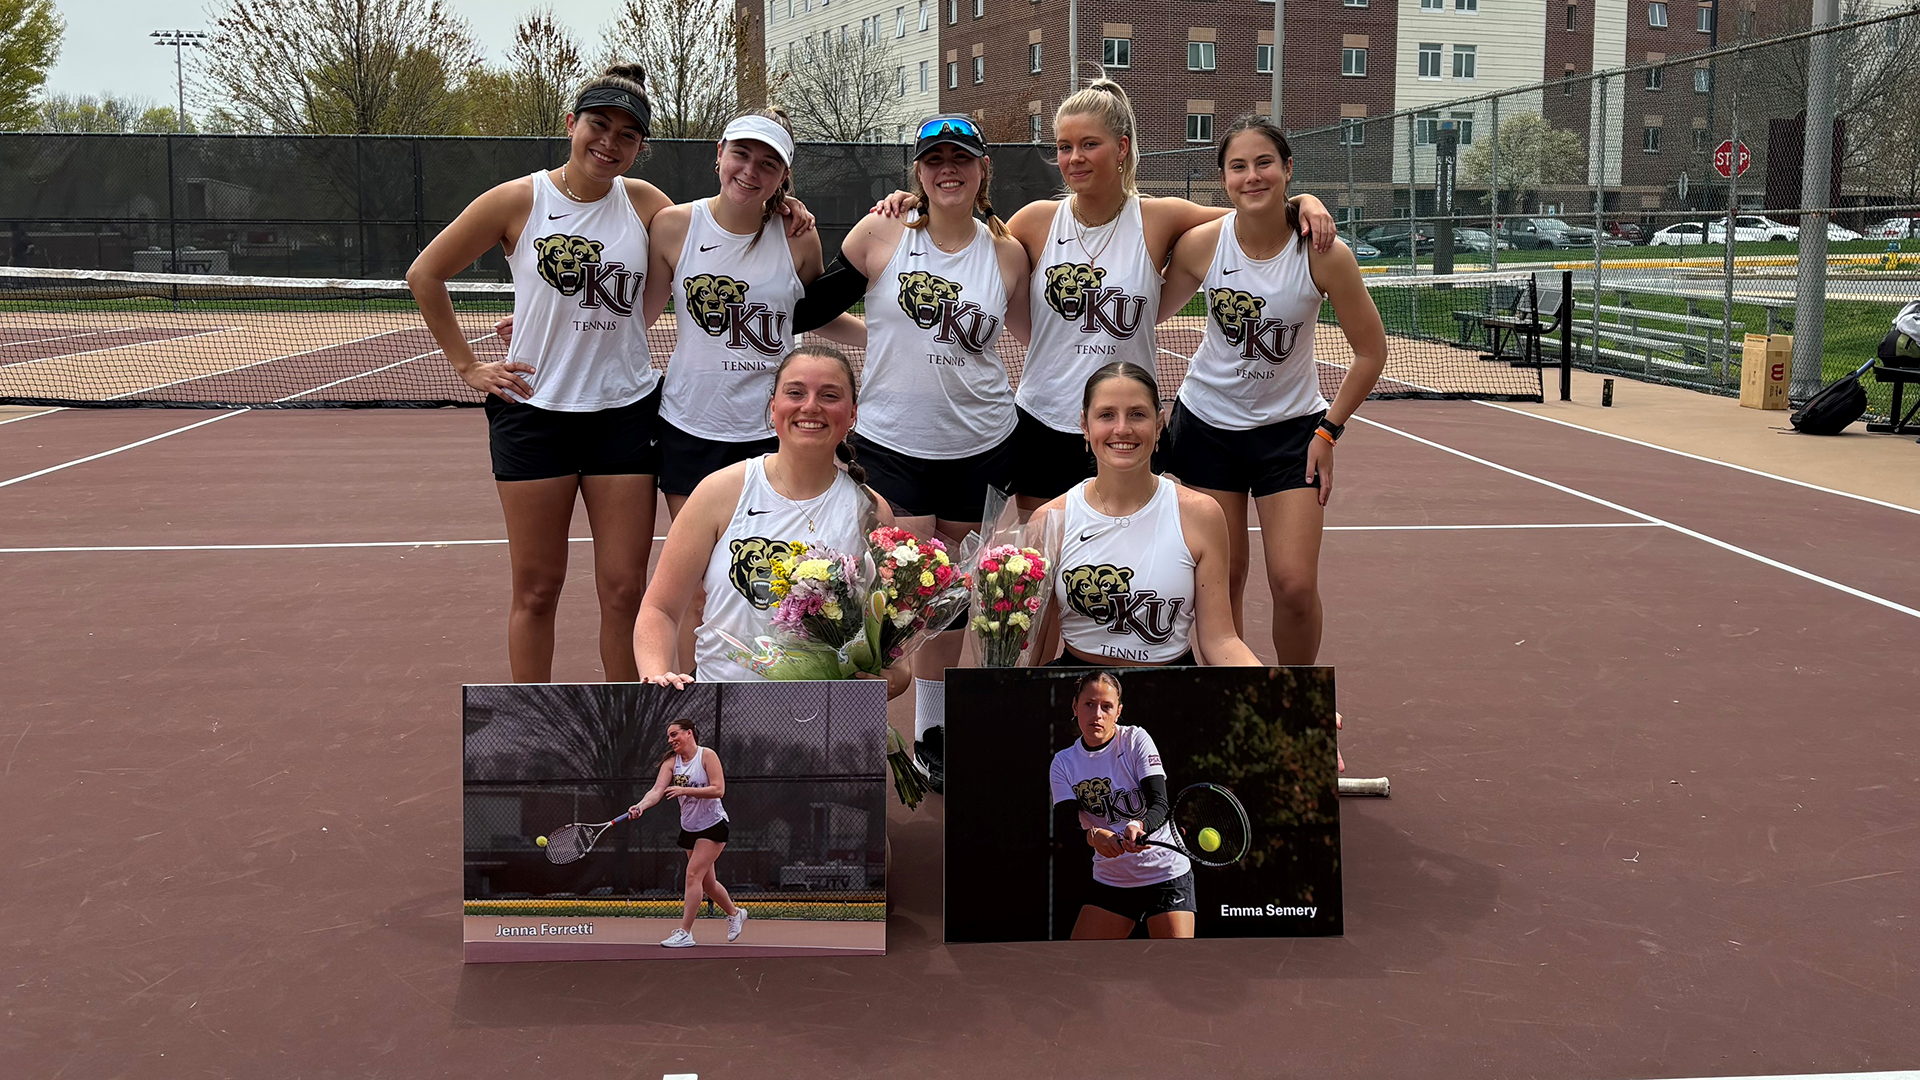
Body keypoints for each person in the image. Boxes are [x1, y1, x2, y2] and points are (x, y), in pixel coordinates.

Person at [407, 65, 668, 685]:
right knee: (537, 588)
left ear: (640, 148)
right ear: (572, 125)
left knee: (624, 590)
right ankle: (535, 730)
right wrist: (467, 365)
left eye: (627, 135)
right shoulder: (518, 200)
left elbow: (718, 231)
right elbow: (426, 274)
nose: (609, 143)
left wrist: (783, 205)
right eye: (598, 126)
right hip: (532, 414)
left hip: (625, 417)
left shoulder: (648, 205)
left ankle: (621, 731)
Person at [832, 115, 1032, 789]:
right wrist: (876, 336)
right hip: (892, 445)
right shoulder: (879, 233)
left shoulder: (1005, 254)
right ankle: (862, 740)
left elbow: (1040, 330)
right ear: (917, 171)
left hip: (982, 445)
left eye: (962, 159)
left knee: (950, 603)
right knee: (893, 604)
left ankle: (931, 737)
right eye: (934, 159)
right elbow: (809, 304)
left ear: (981, 172)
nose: (948, 168)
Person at [1158, 115, 1387, 666]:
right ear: (1223, 179)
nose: (1252, 176)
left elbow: (1371, 352)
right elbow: (1142, 315)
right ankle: (1236, 706)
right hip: (1207, 427)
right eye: (1238, 166)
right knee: (1225, 579)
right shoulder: (1201, 246)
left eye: (1265, 163)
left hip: (1290, 435)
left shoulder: (1322, 252)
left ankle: (1296, 709)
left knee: (1294, 586)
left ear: (1288, 169)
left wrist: (1328, 432)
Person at [634, 344, 911, 699]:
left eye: (829, 395)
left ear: (852, 413)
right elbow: (660, 609)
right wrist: (657, 677)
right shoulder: (720, 492)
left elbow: (892, 644)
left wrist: (895, 678)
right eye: (795, 392)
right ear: (773, 406)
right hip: (724, 709)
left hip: (826, 715)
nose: (810, 406)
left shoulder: (871, 510)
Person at [1031, 363, 1259, 669]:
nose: (1122, 429)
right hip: (1082, 695)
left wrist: (1287, 702)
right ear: (1084, 425)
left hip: (1172, 691)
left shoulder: (1200, 514)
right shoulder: (1050, 519)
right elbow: (1036, 644)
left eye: (1137, 414)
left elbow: (1220, 640)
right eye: (1106, 415)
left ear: (1159, 423)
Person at [1050, 670, 1194, 939]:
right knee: (1079, 967)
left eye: (1107, 707)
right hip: (1111, 880)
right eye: (1089, 704)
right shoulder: (1063, 763)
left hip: (1166, 873)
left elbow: (1160, 804)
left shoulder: (1135, 740)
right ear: (1075, 706)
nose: (1097, 715)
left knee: (1175, 968)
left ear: (1118, 712)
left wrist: (1139, 826)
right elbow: (1066, 826)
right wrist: (1094, 837)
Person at [628, 718, 745, 947]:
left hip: (713, 825)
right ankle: (735, 913)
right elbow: (656, 791)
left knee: (692, 876)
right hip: (689, 828)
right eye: (669, 737)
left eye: (674, 734)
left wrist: (684, 790)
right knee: (707, 883)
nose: (671, 740)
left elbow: (718, 789)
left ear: (689, 733)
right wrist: (640, 805)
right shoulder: (672, 763)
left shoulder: (707, 756)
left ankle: (685, 932)